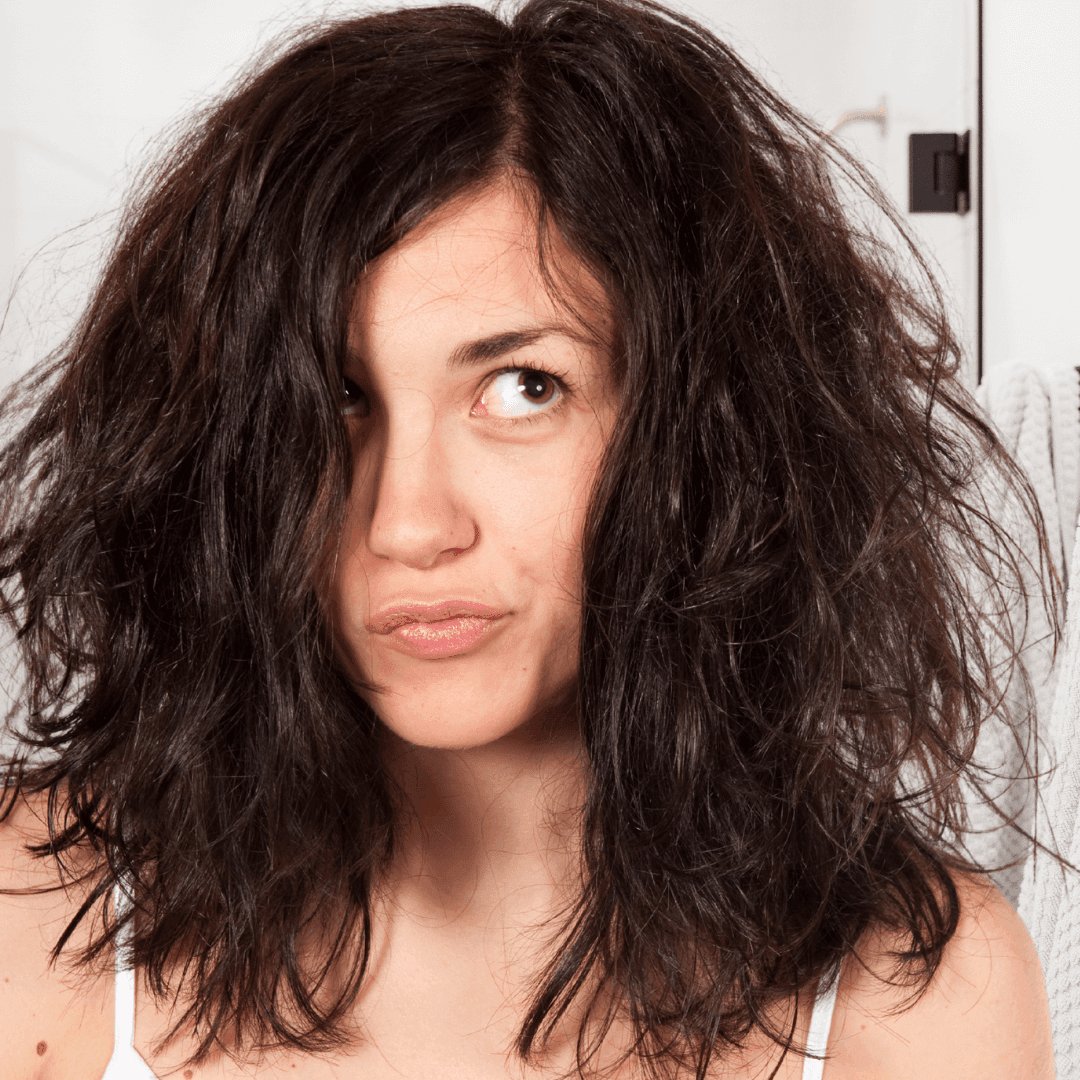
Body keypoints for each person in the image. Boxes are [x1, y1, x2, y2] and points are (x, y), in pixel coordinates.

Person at [0, 0, 1065, 1076]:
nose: (410, 526)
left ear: (704, 437)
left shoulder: (918, 1003)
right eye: (335, 400)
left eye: (523, 388)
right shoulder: (31, 920)